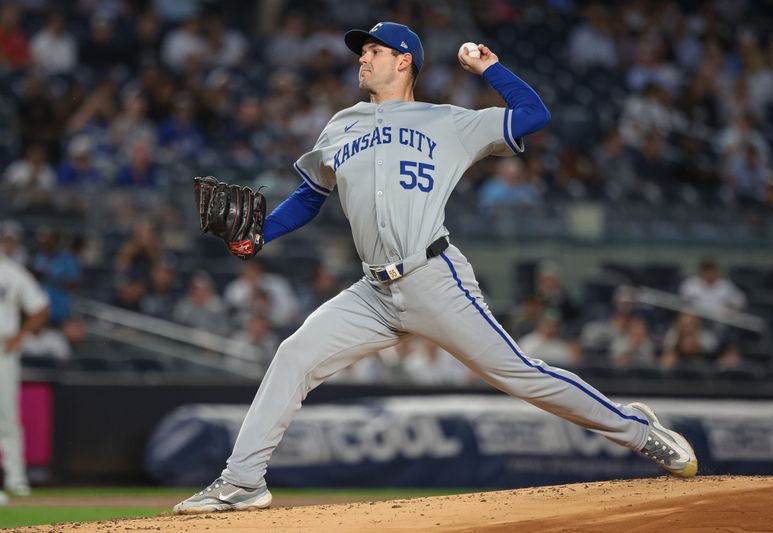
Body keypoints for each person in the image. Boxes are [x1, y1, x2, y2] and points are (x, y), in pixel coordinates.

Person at [174, 21, 697, 514]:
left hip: (433, 277)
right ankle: (243, 481)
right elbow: (311, 197)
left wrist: (490, 69)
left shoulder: (448, 121)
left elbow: (534, 115)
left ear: (404, 62)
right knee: (294, 354)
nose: (363, 57)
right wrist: (261, 235)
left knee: (519, 375)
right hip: (372, 292)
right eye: (362, 51)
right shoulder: (341, 125)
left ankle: (636, 430)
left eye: (374, 51)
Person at [0, 245, 50, 499]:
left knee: (7, 416)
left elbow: (40, 306)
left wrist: (20, 335)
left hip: (3, 351)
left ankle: (16, 478)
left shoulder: (11, 272)